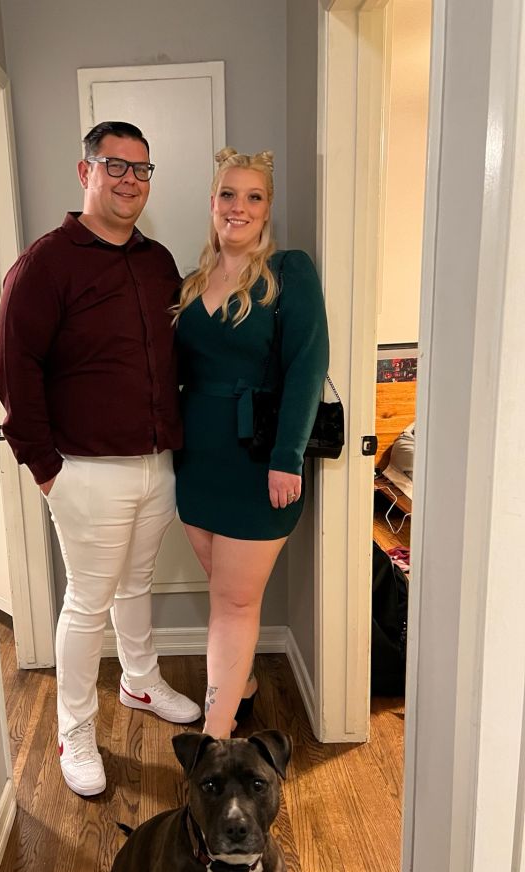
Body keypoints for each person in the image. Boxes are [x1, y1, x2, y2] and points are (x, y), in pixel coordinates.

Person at [0, 121, 201, 797]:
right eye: (115, 165)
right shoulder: (45, 264)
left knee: (136, 584)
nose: (129, 180)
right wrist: (45, 468)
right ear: (86, 172)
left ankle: (140, 682)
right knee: (87, 604)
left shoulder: (157, 261)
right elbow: (14, 368)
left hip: (156, 463)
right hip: (84, 471)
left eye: (141, 169)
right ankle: (75, 729)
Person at [173, 147, 329, 738]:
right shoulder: (191, 283)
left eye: (254, 197)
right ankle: (243, 687)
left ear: (267, 209)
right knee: (226, 596)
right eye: (228, 195)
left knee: (234, 604)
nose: (239, 207)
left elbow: (307, 365)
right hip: (197, 461)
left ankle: (213, 741)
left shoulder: (289, 271)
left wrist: (287, 458)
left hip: (259, 460)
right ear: (212, 203)